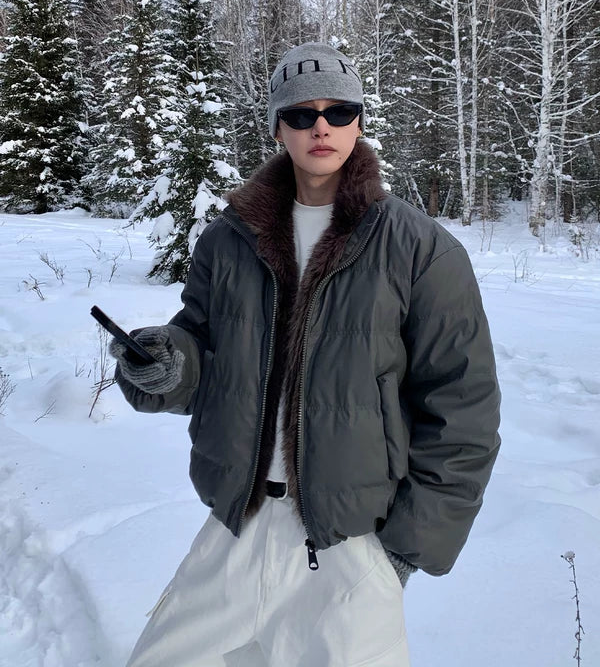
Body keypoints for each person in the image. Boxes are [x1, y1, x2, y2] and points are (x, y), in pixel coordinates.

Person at [111, 42, 501, 667]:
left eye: (339, 111)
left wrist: (403, 551)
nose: (322, 126)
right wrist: (165, 365)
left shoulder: (420, 249)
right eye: (301, 113)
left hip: (351, 546)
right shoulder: (227, 240)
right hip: (238, 527)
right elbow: (202, 354)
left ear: (359, 123)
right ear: (277, 128)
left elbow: (464, 410)